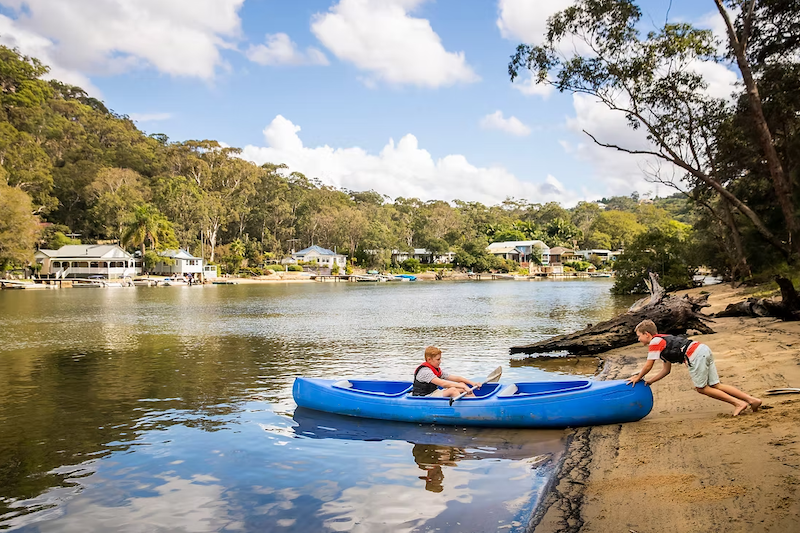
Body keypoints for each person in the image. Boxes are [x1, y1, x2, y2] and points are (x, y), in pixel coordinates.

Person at [626, 319, 762, 416]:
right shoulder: (663, 341)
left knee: (701, 388)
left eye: (639, 336)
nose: (638, 339)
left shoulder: (655, 342)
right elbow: (666, 370)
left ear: (647, 334)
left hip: (695, 355)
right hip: (703, 349)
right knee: (715, 385)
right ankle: (752, 400)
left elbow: (649, 364)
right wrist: (650, 381)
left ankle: (738, 403)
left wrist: (638, 377)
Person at [412, 346, 480, 398]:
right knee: (453, 390)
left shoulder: (436, 369)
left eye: (440, 359)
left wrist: (473, 383)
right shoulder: (425, 372)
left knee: (462, 385)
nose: (440, 361)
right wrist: (462, 386)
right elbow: (443, 384)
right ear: (429, 359)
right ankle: (463, 410)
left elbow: (456, 378)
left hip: (434, 393)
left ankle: (476, 403)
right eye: (438, 359)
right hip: (424, 397)